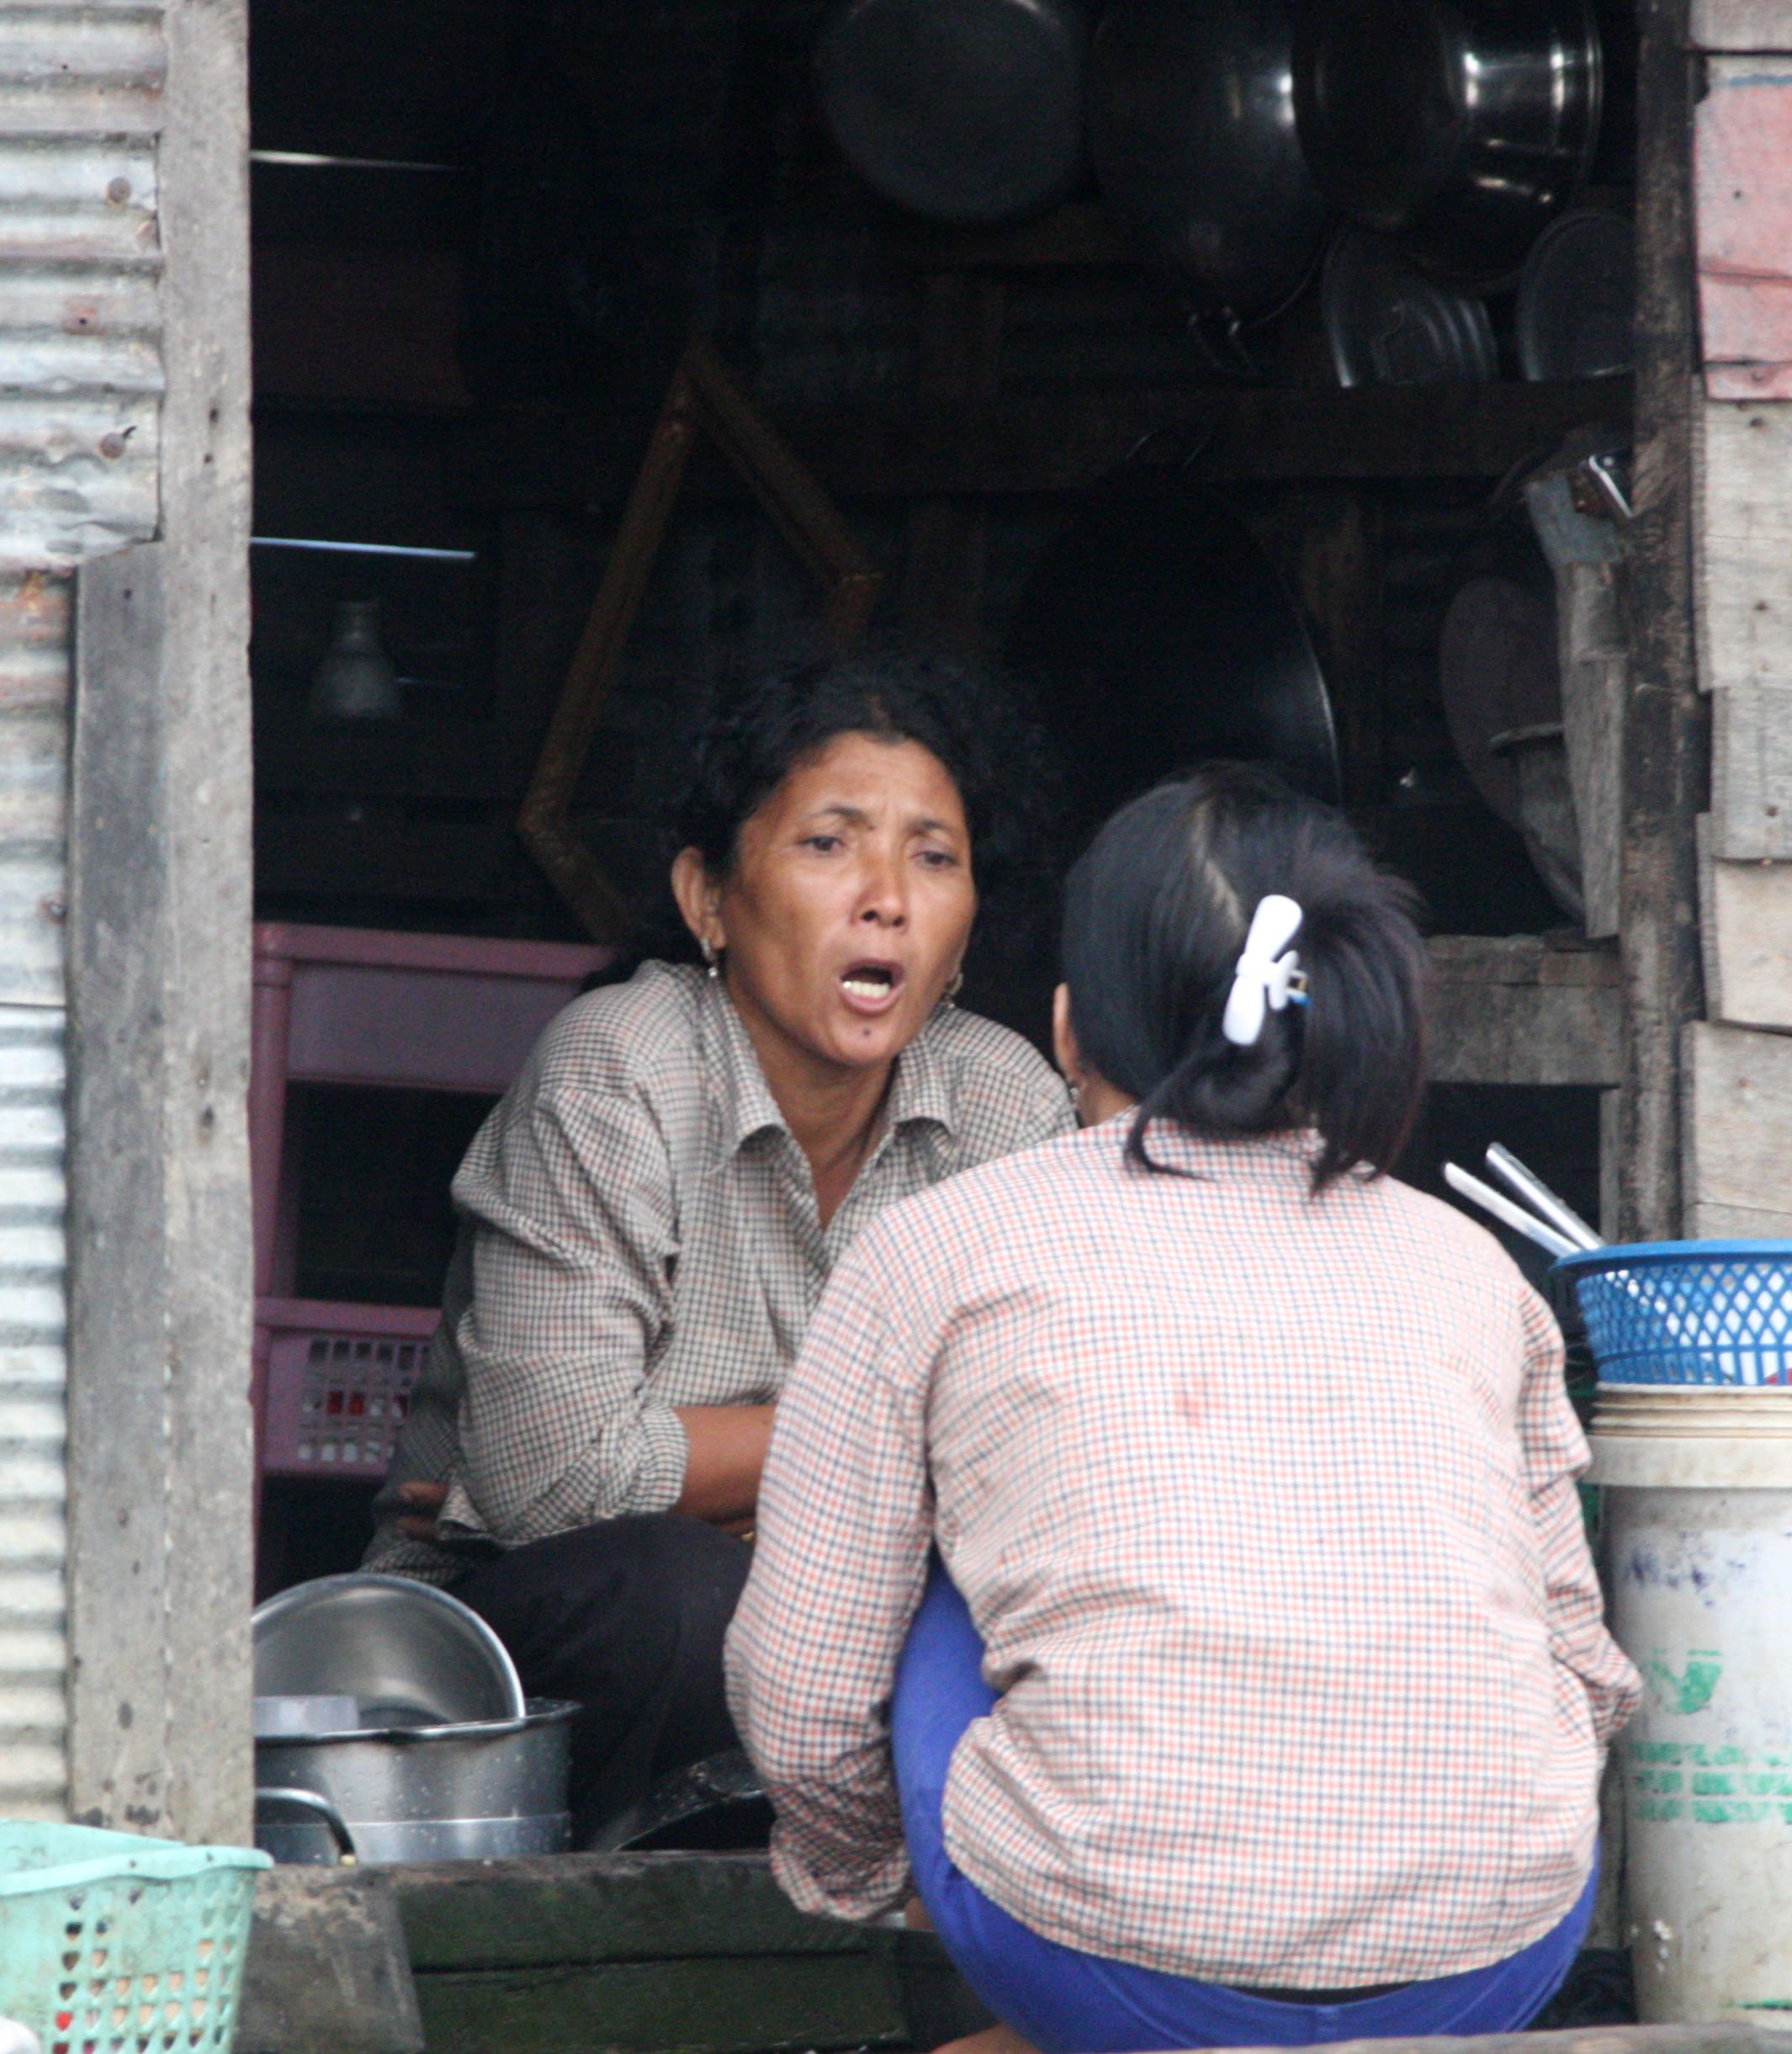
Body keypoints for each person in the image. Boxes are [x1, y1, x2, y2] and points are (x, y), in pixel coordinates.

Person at [726, 763, 1641, 2054]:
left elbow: (801, 1696)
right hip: (1494, 1957)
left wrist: (903, 1881)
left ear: (1063, 1025)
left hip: (1101, 1960)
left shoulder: (938, 1248)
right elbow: (1586, 1674)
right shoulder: (1472, 1267)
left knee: (944, 1563)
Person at [363, 653, 1073, 1836]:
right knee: (690, 1597)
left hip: (860, 1602)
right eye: (828, 843)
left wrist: (740, 1472)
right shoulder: (618, 1068)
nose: (886, 895)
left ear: (964, 928)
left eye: (932, 856)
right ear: (707, 898)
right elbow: (560, 1482)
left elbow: (1039, 1459)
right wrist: (889, 1432)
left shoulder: (1007, 1105)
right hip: (520, 1640)